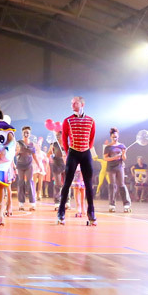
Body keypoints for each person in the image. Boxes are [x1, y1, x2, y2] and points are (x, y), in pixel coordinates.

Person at [55, 95, 97, 226]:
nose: (72, 105)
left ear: (82, 104)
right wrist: (68, 153)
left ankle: (91, 212)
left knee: (88, 184)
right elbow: (65, 138)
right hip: (73, 153)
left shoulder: (90, 121)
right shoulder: (68, 121)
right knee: (67, 183)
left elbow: (91, 138)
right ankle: (61, 212)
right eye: (72, 103)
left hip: (85, 153)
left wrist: (85, 149)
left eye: (75, 103)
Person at [102, 127, 131, 213]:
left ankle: (126, 204)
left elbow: (124, 158)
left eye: (116, 136)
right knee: (112, 185)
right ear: (111, 137)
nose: (115, 138)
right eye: (113, 137)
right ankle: (112, 205)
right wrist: (114, 157)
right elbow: (105, 158)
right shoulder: (108, 147)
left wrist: (123, 153)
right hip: (111, 168)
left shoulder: (122, 146)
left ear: (118, 136)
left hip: (120, 167)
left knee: (122, 185)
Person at [13, 126, 37, 210]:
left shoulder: (32, 144)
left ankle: (32, 203)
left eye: (27, 132)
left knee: (30, 182)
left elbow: (34, 155)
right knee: (21, 182)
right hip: (20, 165)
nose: (26, 134)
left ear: (30, 134)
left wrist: (39, 165)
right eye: (24, 132)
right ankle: (21, 204)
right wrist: (17, 151)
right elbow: (14, 154)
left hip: (29, 165)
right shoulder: (18, 143)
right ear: (22, 133)